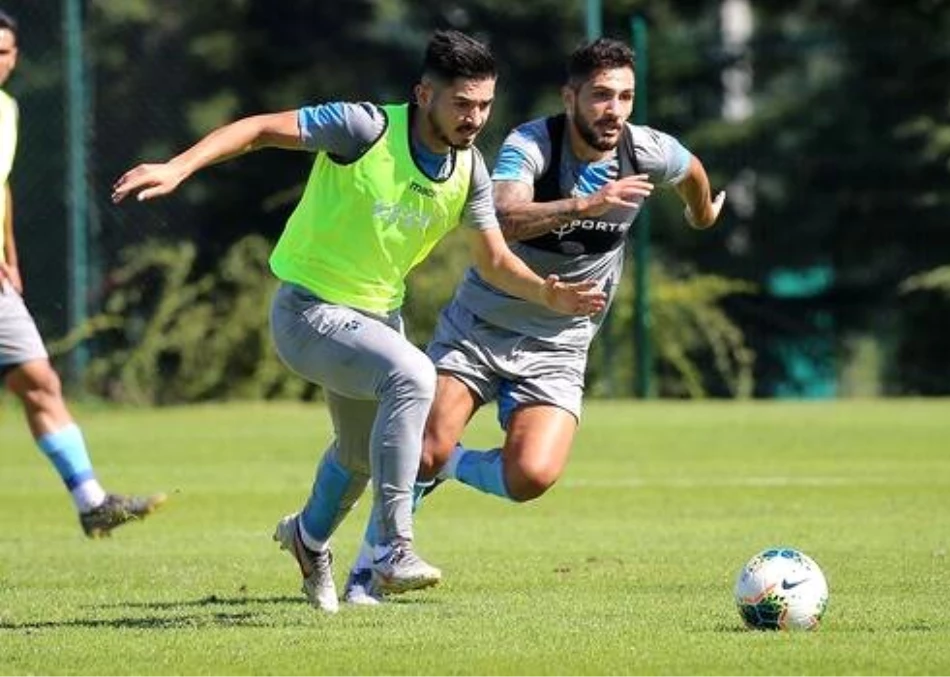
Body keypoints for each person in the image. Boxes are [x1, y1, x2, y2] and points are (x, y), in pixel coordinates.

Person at [111, 30, 607, 614]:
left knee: (355, 457)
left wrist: (547, 294)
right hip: (307, 311)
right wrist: (179, 166)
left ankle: (307, 538)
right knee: (415, 375)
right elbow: (257, 129)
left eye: (484, 105)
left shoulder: (469, 169)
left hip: (375, 320)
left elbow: (495, 260)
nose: (475, 118)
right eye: (462, 104)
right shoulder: (363, 128)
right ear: (425, 94)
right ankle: (395, 547)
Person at [342, 37, 725, 604]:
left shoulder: (646, 151)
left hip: (559, 345)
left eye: (624, 96)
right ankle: (371, 567)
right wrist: (583, 206)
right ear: (570, 96)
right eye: (599, 95)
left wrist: (700, 212)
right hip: (479, 328)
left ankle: (448, 468)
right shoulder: (532, 143)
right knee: (421, 446)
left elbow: (691, 169)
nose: (613, 109)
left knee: (531, 477)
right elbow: (503, 215)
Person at [0, 10, 166, 539]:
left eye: (3, 52)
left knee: (41, 382)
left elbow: (0, 186)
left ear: (16, 56)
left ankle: (92, 502)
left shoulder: (7, 109)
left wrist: (10, 255)